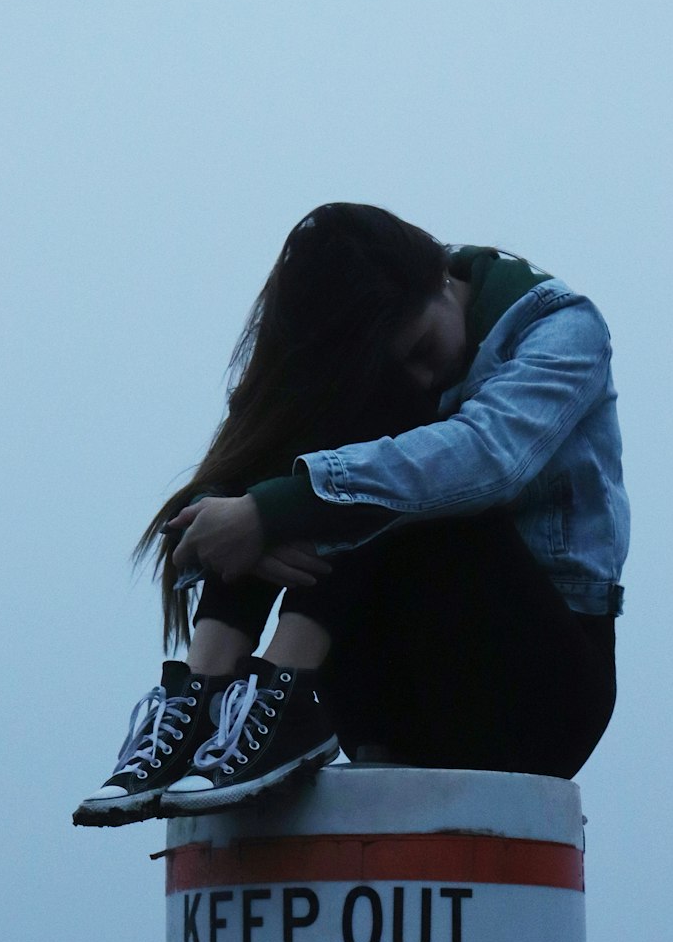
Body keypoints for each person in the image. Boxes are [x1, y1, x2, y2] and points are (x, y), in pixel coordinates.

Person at [73, 203, 628, 826]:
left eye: (421, 346)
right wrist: (244, 522)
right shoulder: (400, 350)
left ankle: (283, 684)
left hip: (538, 694)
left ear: (443, 280)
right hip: (385, 682)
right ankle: (201, 697)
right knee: (337, 433)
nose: (424, 374)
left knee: (400, 458)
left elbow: (487, 458)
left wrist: (278, 510)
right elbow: (247, 467)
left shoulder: (560, 329)